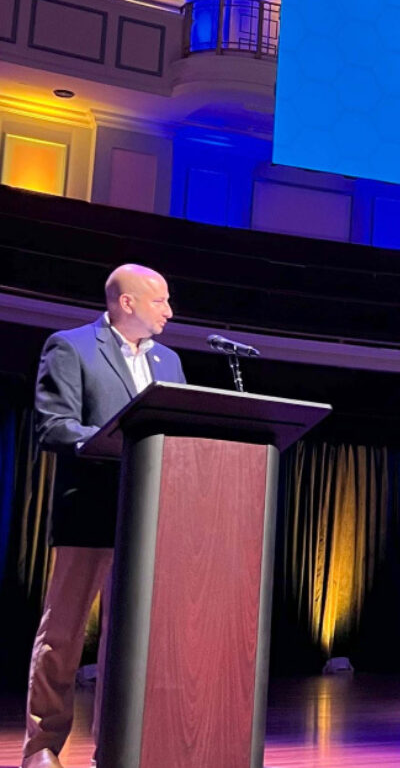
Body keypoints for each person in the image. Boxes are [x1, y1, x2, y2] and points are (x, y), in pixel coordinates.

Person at [23, 264, 185, 768]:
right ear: (127, 303)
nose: (170, 312)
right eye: (160, 301)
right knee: (62, 638)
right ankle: (43, 748)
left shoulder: (171, 361)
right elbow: (54, 425)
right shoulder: (71, 347)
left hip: (149, 520)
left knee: (130, 644)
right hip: (89, 513)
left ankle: (117, 748)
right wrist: (107, 441)